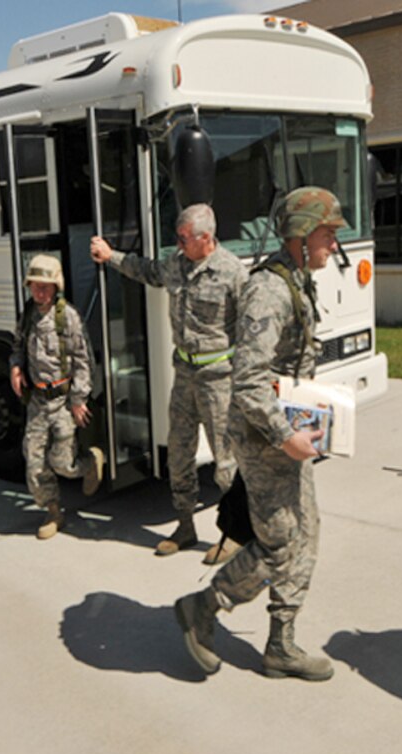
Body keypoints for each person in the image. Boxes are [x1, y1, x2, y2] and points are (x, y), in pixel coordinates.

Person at [173, 186, 345, 681]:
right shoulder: (269, 291)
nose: (333, 245)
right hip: (264, 439)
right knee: (279, 542)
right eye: (328, 234)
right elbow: (247, 382)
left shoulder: (294, 280)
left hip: (286, 434)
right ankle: (203, 607)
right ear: (300, 234)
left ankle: (281, 644)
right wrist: (284, 435)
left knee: (304, 534)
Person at [91, 204, 247, 562]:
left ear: (205, 238)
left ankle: (235, 534)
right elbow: (145, 270)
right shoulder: (176, 264)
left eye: (183, 238)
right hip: (184, 377)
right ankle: (185, 526)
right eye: (176, 238)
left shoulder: (233, 272)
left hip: (219, 380)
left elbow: (253, 327)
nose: (178, 245)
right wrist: (110, 255)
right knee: (178, 454)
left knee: (226, 463)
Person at [10, 254, 104, 539]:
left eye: (45, 286)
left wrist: (79, 399)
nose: (39, 292)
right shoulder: (27, 316)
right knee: (35, 462)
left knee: (62, 462)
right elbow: (17, 346)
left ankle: (89, 463)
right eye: (35, 286)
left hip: (63, 400)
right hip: (38, 401)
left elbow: (84, 360)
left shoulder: (69, 318)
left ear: (56, 287)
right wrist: (15, 367)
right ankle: (53, 512)